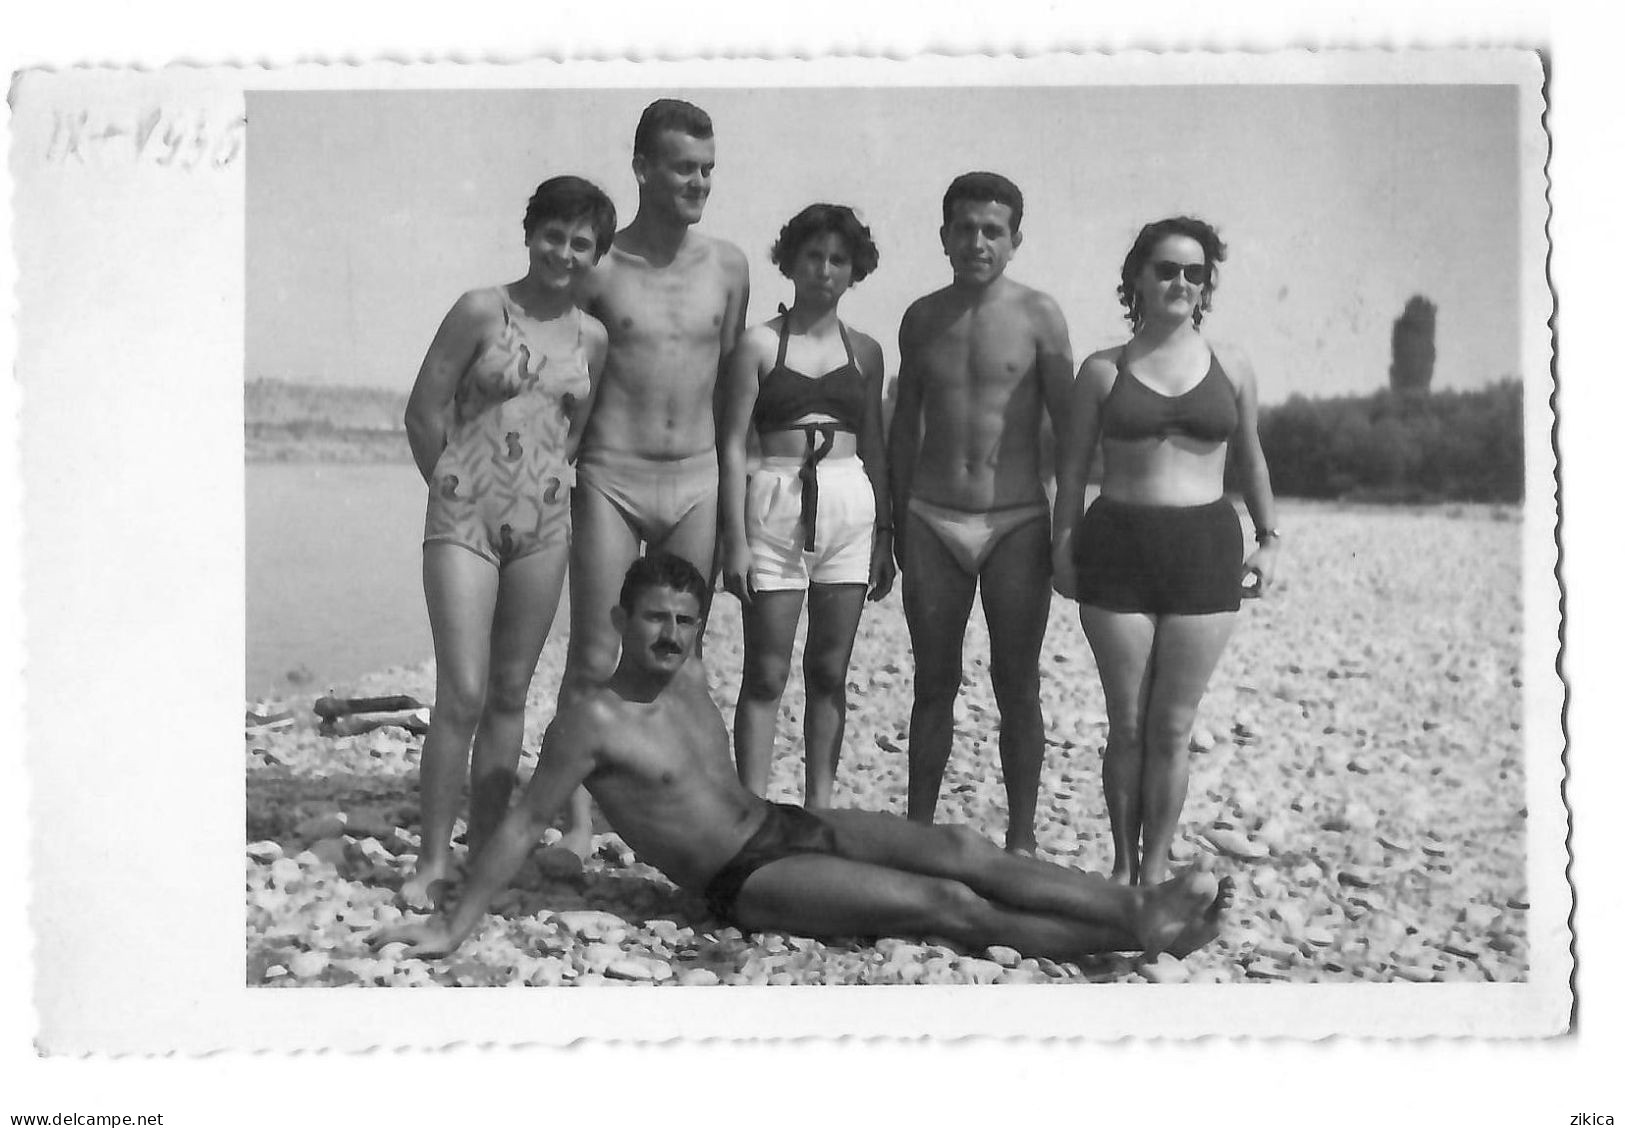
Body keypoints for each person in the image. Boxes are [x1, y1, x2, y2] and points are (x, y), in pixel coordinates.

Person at [374, 554, 1233, 963]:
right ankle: (1130, 933)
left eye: (684, 620)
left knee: (965, 850)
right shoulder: (591, 720)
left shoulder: (690, 678)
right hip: (739, 881)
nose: (671, 634)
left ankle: (1135, 903)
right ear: (617, 621)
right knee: (945, 906)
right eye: (653, 619)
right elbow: (526, 821)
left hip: (782, 821)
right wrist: (455, 923)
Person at [399, 176, 615, 909]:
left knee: (510, 695)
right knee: (459, 692)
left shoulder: (593, 337)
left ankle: (485, 851)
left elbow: (571, 435)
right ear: (530, 233)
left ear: (595, 255)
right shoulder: (480, 309)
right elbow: (423, 409)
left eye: (580, 242)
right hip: (463, 518)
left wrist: (542, 493)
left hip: (544, 527)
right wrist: (449, 485)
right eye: (552, 234)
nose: (563, 251)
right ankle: (432, 861)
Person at [1051, 216, 1281, 886]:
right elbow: (1070, 471)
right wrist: (1063, 545)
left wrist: (1269, 540)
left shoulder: (1232, 365)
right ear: (1137, 281)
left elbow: (1252, 460)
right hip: (1116, 548)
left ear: (1206, 283)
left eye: (1193, 271)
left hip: (1204, 551)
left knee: (1173, 726)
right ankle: (1122, 871)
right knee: (1125, 725)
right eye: (1165, 270)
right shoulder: (1101, 370)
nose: (1179, 282)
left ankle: (1154, 872)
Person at [556, 97, 751, 855]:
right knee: (593, 653)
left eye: (707, 169)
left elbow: (733, 383)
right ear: (641, 167)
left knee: (687, 655)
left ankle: (703, 808)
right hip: (612, 474)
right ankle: (574, 820)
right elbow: (559, 356)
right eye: (682, 168)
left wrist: (736, 513)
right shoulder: (599, 268)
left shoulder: (727, 267)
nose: (698, 182)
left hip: (697, 477)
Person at [887, 172, 1074, 855]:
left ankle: (1020, 839)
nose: (976, 241)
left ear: (1014, 239)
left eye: (992, 230)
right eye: (963, 228)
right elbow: (902, 424)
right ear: (943, 237)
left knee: (1015, 681)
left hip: (1016, 519)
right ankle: (916, 834)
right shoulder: (920, 318)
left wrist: (1069, 522)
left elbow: (1071, 424)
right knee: (932, 680)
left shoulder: (1039, 316)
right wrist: (892, 522)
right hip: (932, 517)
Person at [718, 204, 894, 808]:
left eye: (838, 260)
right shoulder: (759, 344)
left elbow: (875, 445)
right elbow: (730, 445)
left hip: (849, 501)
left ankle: (819, 807)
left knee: (828, 672)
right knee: (765, 672)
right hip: (775, 498)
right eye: (813, 256)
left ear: (854, 271)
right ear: (790, 261)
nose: (824, 269)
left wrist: (885, 535)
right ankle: (751, 807)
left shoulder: (866, 352)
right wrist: (732, 538)